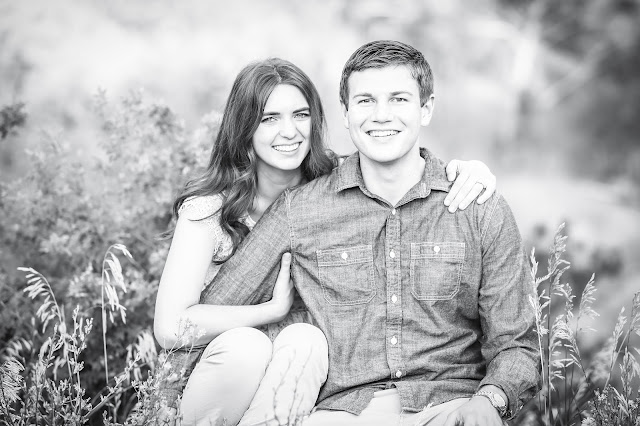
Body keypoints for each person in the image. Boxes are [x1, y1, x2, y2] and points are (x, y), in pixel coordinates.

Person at [172, 41, 540, 426]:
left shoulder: (477, 206)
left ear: (426, 108)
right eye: (366, 101)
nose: (381, 116)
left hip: (451, 407)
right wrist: (161, 404)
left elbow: (516, 345)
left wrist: (491, 399)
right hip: (343, 413)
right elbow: (211, 312)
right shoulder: (301, 208)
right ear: (346, 114)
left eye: (398, 99)